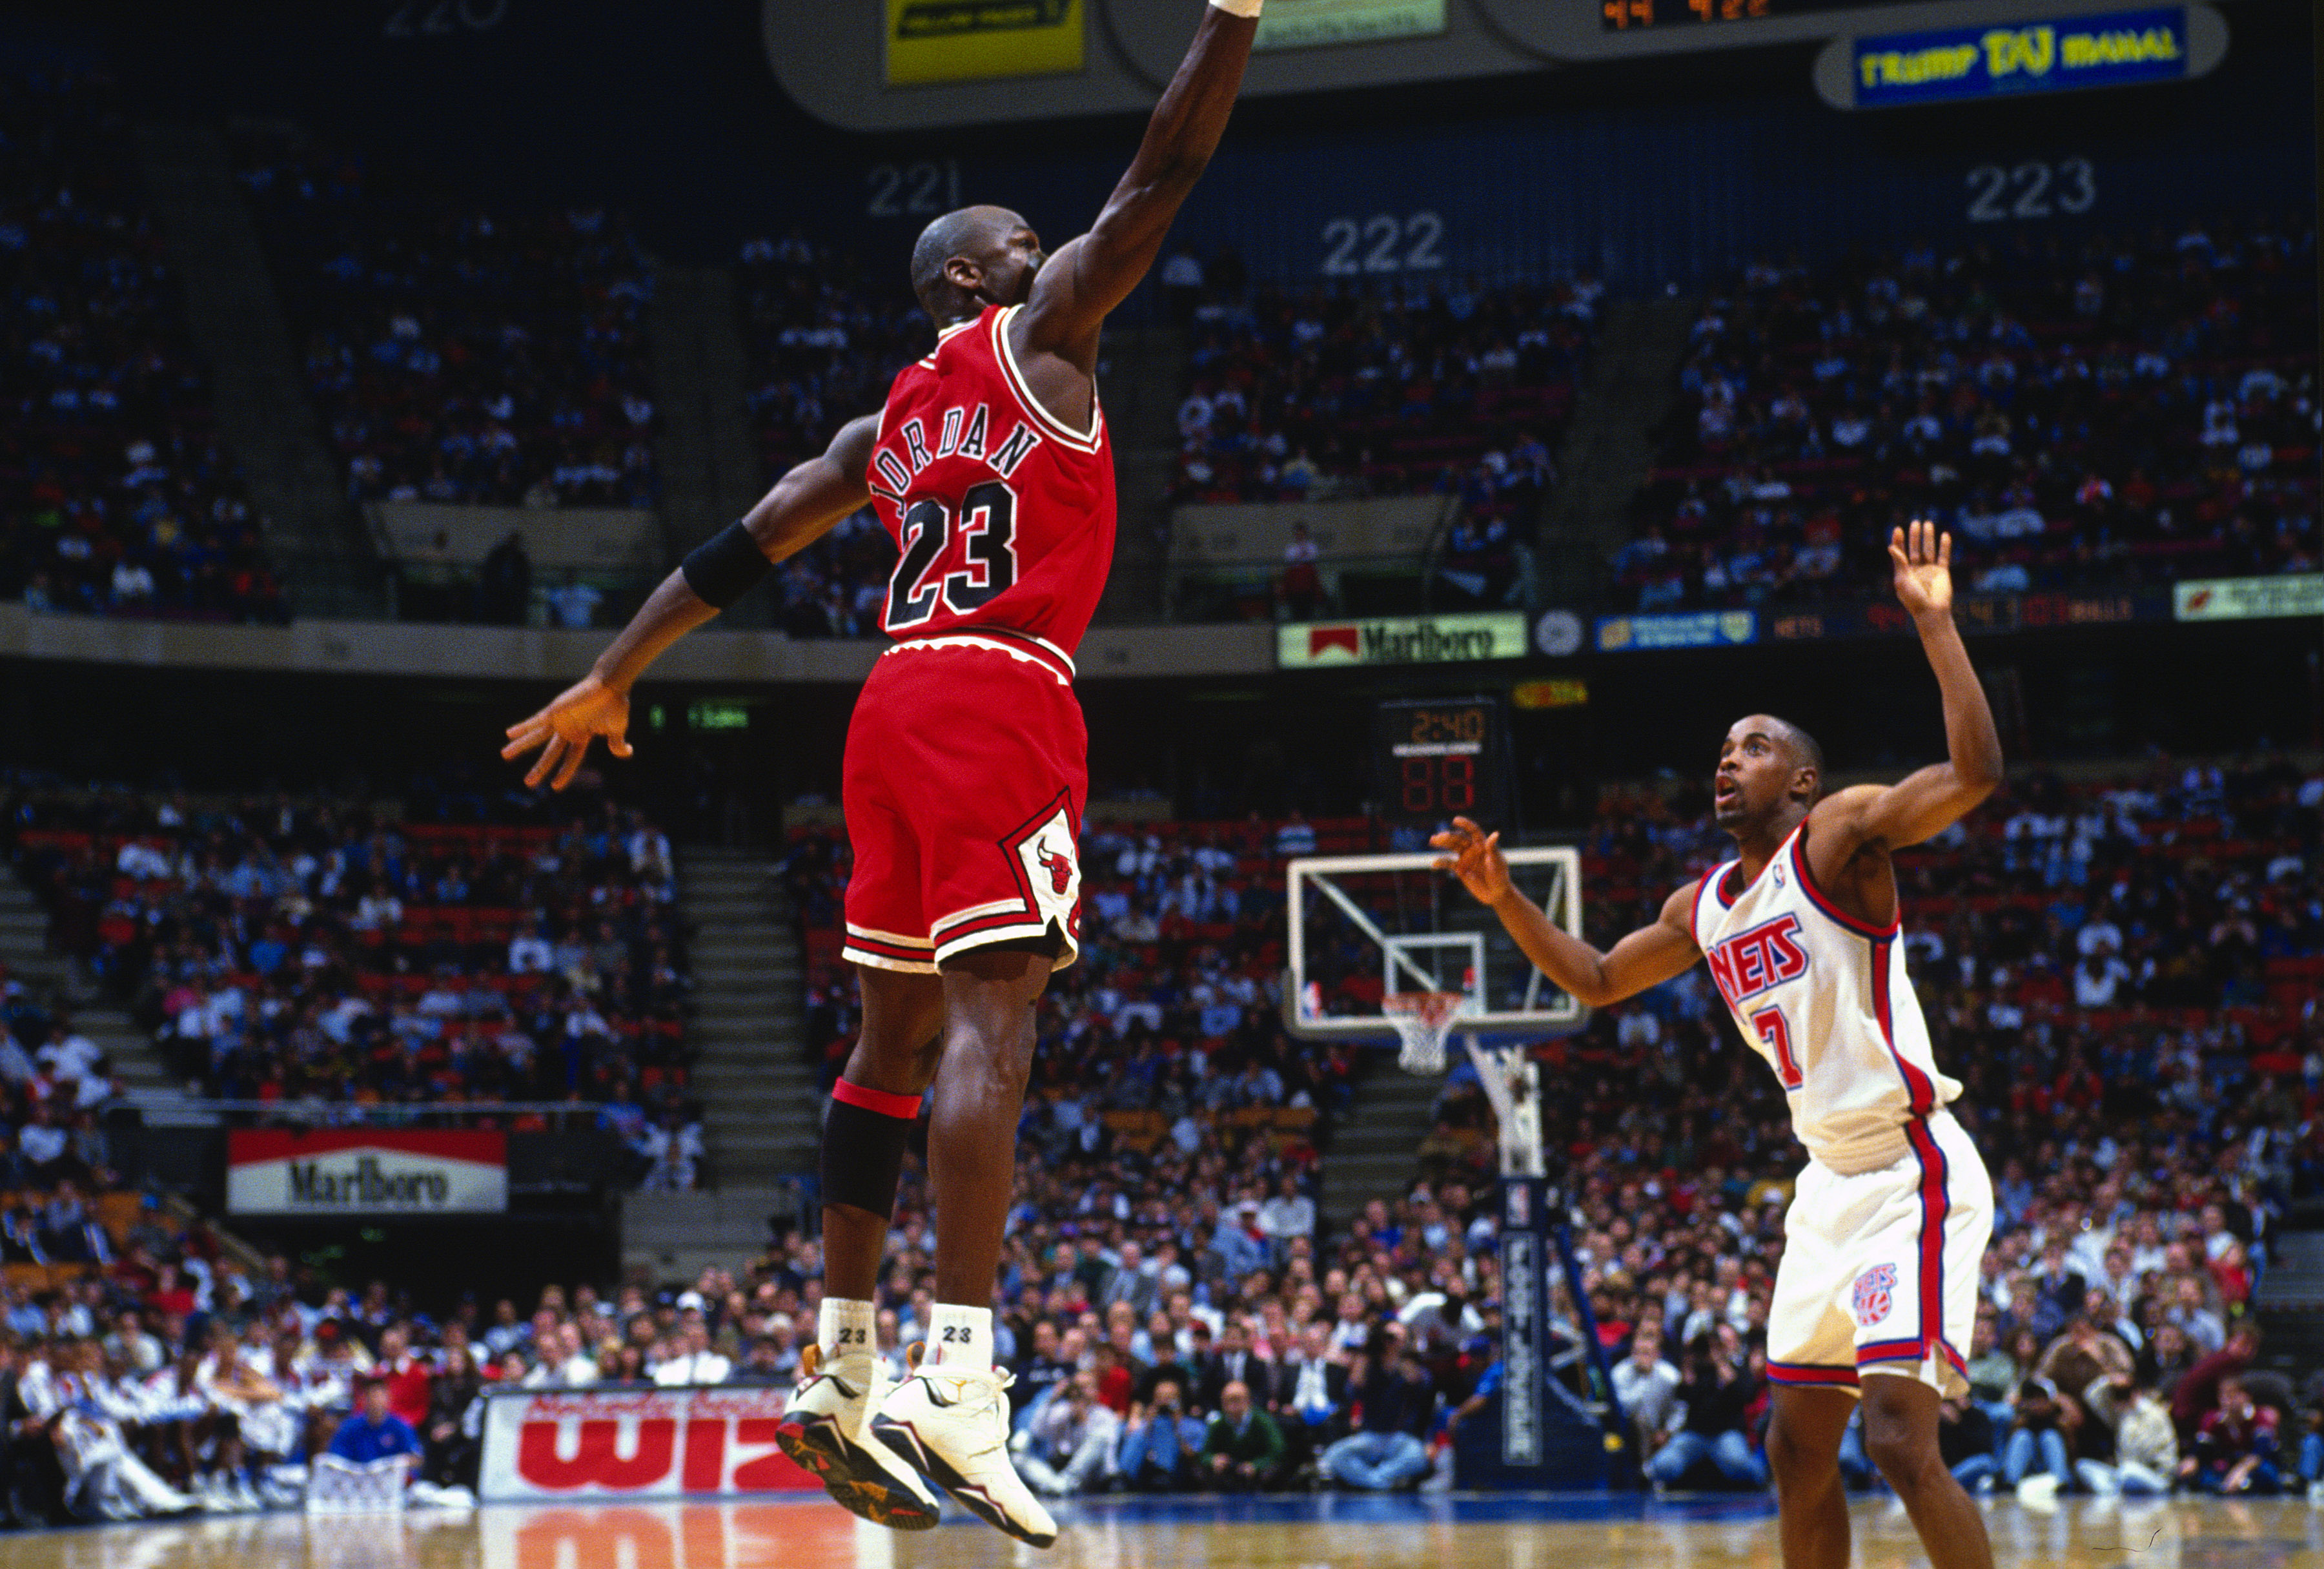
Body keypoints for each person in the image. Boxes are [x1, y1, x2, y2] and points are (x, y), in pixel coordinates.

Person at [502, 1, 1259, 1548]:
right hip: (998, 695)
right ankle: (958, 1380)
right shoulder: (1040, 335)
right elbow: (1162, 171)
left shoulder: (882, 430)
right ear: (978, 279)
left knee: (893, 1027)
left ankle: (841, 1361)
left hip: (888, 711)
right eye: (1028, 245)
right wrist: (1234, 13)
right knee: (1000, 1021)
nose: (1062, 256)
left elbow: (738, 547)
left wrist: (612, 671)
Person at [1436, 522, 2003, 1569]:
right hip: (1825, 1186)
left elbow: (1972, 775)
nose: (1725, 761)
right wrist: (1504, 897)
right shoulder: (1704, 907)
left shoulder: (1834, 839)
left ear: (1800, 781)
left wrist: (1935, 624)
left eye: (1752, 746)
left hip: (1909, 1170)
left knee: (1896, 1441)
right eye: (1721, 749)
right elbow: (1599, 978)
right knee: (1795, 1448)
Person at [1201, 1379, 1287, 1491]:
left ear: (1248, 1401)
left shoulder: (1263, 1421)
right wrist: (1214, 1459)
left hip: (1258, 1476)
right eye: (1227, 1401)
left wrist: (1256, 1465)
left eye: (1236, 1400)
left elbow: (1278, 1450)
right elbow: (1204, 1454)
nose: (1232, 1405)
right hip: (1229, 1475)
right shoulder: (1218, 1424)